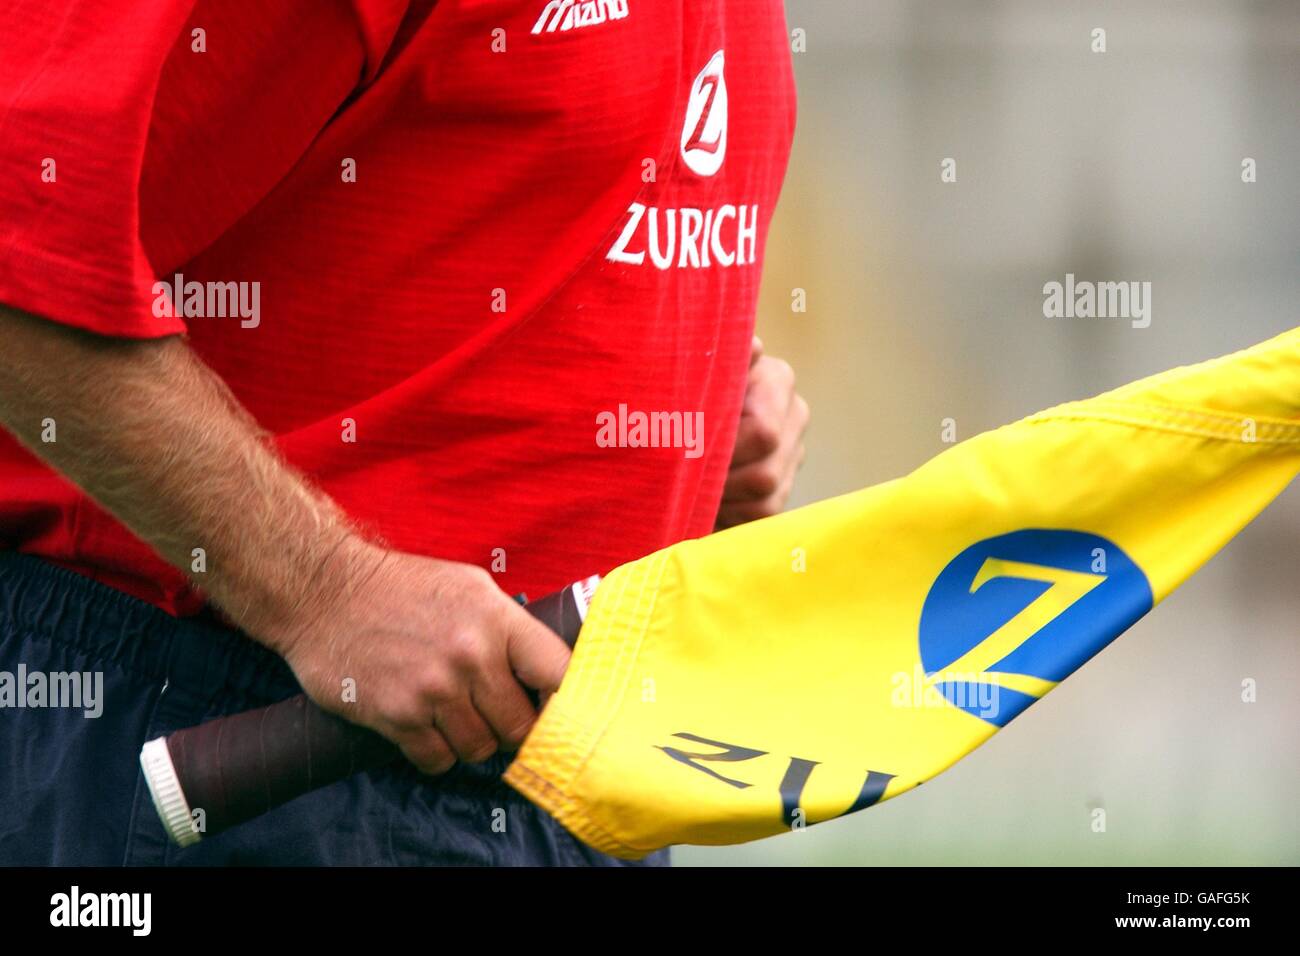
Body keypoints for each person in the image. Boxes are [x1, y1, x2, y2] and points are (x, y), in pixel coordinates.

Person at [0, 0, 808, 865]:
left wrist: (687, 404)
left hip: (556, 775)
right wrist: (323, 589)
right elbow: (23, 254)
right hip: (245, 745)